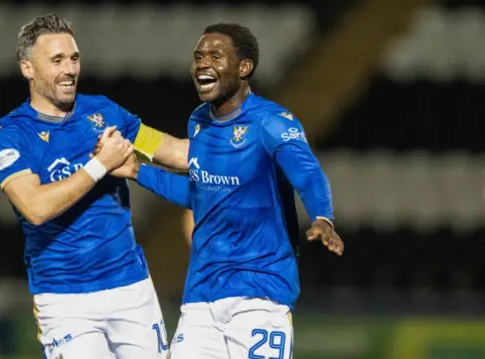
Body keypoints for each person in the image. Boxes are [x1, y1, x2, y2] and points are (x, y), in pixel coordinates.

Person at [100, 23, 344, 359]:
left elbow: (308, 173)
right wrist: (137, 171)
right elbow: (201, 193)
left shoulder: (271, 122)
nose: (202, 64)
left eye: (215, 56)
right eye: (198, 57)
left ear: (244, 68)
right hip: (202, 296)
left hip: (260, 294)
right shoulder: (198, 121)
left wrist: (322, 216)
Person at [0, 14, 188, 359]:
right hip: (65, 300)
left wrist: (243, 145)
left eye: (74, 58)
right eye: (57, 60)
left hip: (131, 289)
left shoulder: (105, 113)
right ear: (27, 69)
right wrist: (100, 165)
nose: (69, 69)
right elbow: (35, 208)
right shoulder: (9, 134)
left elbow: (178, 154)